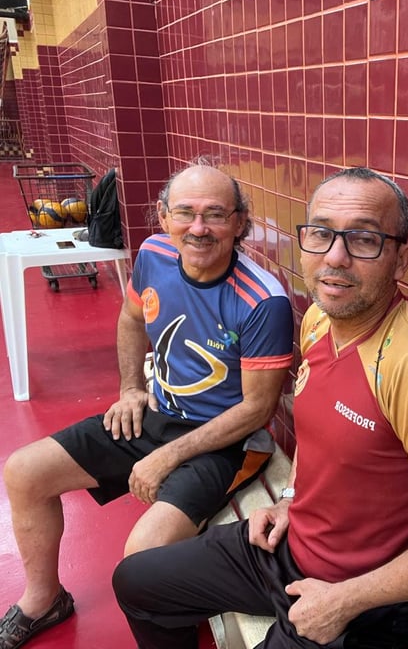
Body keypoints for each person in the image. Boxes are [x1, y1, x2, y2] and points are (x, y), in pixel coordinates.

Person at [111, 167, 408, 648]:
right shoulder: (318, 322)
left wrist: (345, 600)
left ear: (401, 259)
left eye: (364, 240)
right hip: (287, 547)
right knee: (137, 582)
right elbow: (317, 432)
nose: (336, 258)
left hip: (359, 599)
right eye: (321, 234)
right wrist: (288, 498)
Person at [0, 161, 294, 649]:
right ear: (162, 216)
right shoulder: (155, 254)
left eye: (215, 214)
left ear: (240, 222)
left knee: (142, 556)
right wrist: (131, 388)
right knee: (25, 471)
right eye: (185, 212)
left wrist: (168, 456)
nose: (198, 228)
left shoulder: (263, 301)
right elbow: (132, 318)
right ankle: (43, 599)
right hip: (158, 415)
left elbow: (256, 410)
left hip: (226, 445)